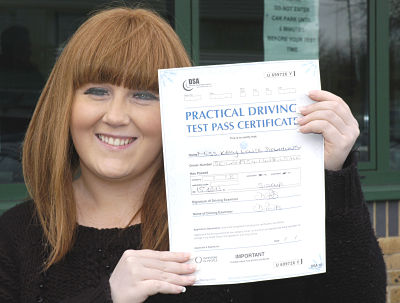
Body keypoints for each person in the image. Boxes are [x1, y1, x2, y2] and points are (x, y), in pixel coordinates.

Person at [0, 7, 386, 303]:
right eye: (97, 91)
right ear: (63, 106)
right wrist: (109, 296)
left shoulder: (230, 222)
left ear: (175, 112)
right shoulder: (14, 238)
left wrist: (333, 177)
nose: (116, 116)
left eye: (144, 95)